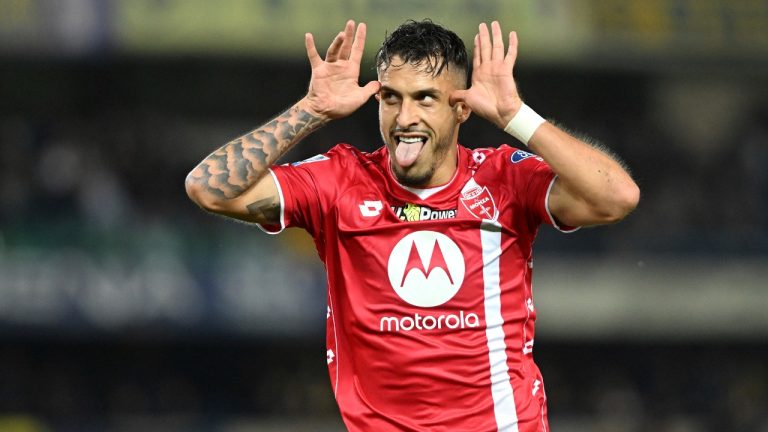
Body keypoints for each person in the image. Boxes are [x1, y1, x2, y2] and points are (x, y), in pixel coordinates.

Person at [186, 18, 639, 432]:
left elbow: (616, 197)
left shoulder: (503, 178)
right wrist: (312, 110)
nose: (405, 118)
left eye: (425, 98)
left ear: (460, 109)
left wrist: (515, 117)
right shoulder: (340, 180)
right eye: (391, 98)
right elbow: (209, 189)